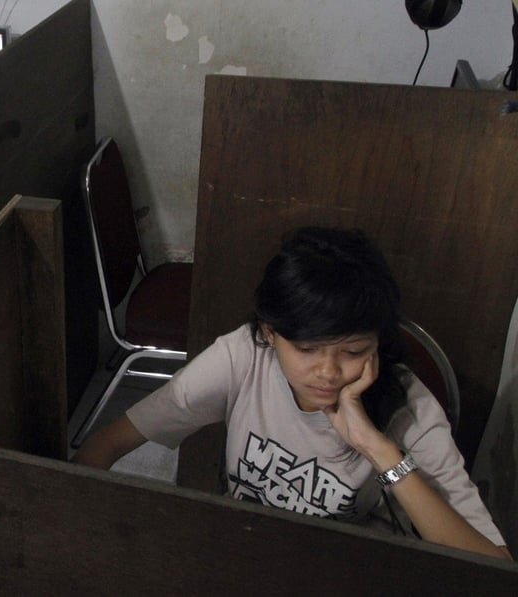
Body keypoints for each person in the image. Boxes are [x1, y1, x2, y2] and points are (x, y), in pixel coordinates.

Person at [73, 227, 511, 560]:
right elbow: (109, 442)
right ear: (269, 333)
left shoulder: (408, 406)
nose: (328, 372)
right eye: (306, 349)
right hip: (248, 556)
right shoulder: (245, 355)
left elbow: (492, 565)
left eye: (354, 351)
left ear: (379, 342)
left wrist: (379, 451)